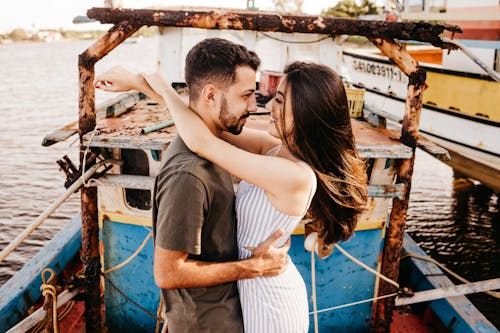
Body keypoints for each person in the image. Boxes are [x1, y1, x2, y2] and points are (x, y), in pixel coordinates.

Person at [97, 42, 368, 332]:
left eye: (278, 100)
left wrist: (163, 88)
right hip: (250, 288)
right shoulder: (274, 148)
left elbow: (205, 143)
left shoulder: (296, 177)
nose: (264, 106)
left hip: (271, 300)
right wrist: (140, 83)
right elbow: (204, 125)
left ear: (305, 111)